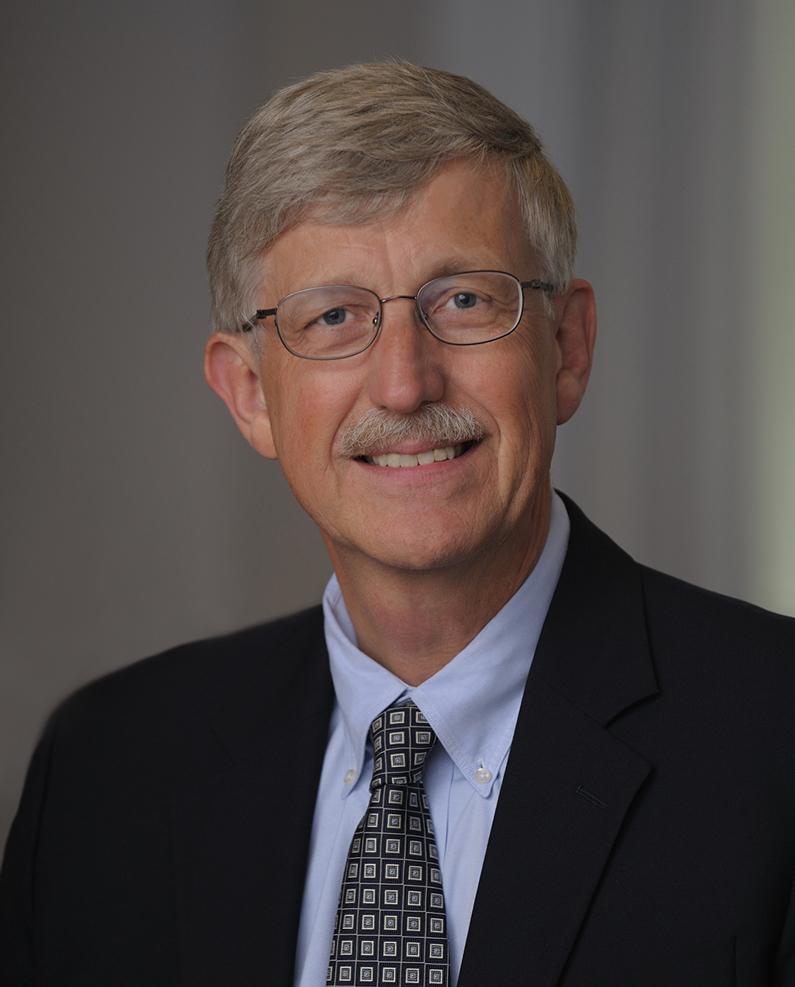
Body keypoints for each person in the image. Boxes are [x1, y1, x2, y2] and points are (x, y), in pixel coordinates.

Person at [1, 61, 794, 987]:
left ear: (567, 348)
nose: (405, 383)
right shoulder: (107, 767)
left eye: (463, 300)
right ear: (250, 393)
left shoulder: (773, 739)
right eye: (334, 317)